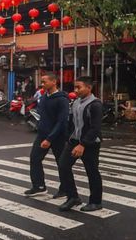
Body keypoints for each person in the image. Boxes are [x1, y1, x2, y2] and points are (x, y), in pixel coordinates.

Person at [58, 76, 103, 212]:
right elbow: (72, 122)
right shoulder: (76, 102)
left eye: (79, 87)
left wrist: (83, 144)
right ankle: (73, 197)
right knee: (63, 165)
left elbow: (95, 128)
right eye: (75, 87)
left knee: (92, 171)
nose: (75, 90)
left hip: (90, 144)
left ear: (89, 88)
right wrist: (69, 138)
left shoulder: (95, 104)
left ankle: (96, 202)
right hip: (74, 141)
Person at [25, 73, 70, 198]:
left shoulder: (62, 99)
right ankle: (39, 186)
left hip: (58, 136)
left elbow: (61, 121)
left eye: (45, 82)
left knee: (61, 163)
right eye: (42, 82)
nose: (42, 84)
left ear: (54, 82)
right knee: (34, 158)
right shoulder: (44, 97)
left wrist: (50, 138)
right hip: (42, 134)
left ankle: (65, 189)